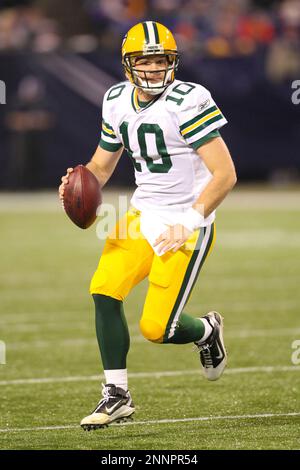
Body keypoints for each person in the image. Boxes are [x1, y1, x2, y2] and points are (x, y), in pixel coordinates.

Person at [59, 21, 237, 430]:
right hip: (142, 212)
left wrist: (190, 222)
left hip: (187, 218)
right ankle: (116, 395)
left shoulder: (188, 100)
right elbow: (101, 166)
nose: (154, 69)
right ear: (128, 65)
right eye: (145, 61)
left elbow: (224, 173)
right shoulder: (116, 99)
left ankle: (206, 330)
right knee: (103, 289)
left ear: (172, 63)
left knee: (158, 328)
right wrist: (76, 183)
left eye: (161, 61)